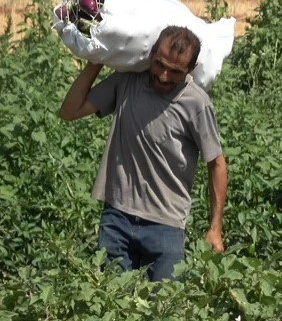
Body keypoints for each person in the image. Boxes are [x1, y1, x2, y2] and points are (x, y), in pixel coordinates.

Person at [58, 26, 227, 281]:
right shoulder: (127, 82)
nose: (164, 76)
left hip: (166, 226)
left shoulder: (196, 103)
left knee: (165, 305)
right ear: (151, 55)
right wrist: (97, 59)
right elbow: (69, 112)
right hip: (117, 218)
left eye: (175, 71)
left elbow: (217, 164)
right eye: (159, 65)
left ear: (190, 69)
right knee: (112, 300)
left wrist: (215, 228)